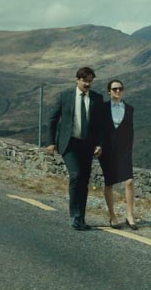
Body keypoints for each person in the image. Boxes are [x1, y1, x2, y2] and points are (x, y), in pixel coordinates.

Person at [46, 66, 104, 230]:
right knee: (76, 175)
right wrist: (50, 142)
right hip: (69, 144)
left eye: (90, 81)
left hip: (87, 145)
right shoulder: (65, 97)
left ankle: (82, 218)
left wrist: (99, 144)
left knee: (84, 181)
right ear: (77, 80)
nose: (87, 84)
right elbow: (53, 119)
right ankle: (74, 216)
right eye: (84, 81)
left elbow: (100, 125)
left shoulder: (97, 99)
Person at [98, 78, 137, 230]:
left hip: (124, 150)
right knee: (109, 182)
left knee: (129, 181)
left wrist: (128, 149)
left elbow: (129, 131)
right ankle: (112, 216)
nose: (118, 91)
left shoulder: (130, 109)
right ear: (109, 91)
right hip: (106, 151)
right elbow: (98, 129)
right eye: (114, 89)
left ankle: (130, 216)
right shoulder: (102, 108)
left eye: (120, 88)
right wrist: (98, 145)